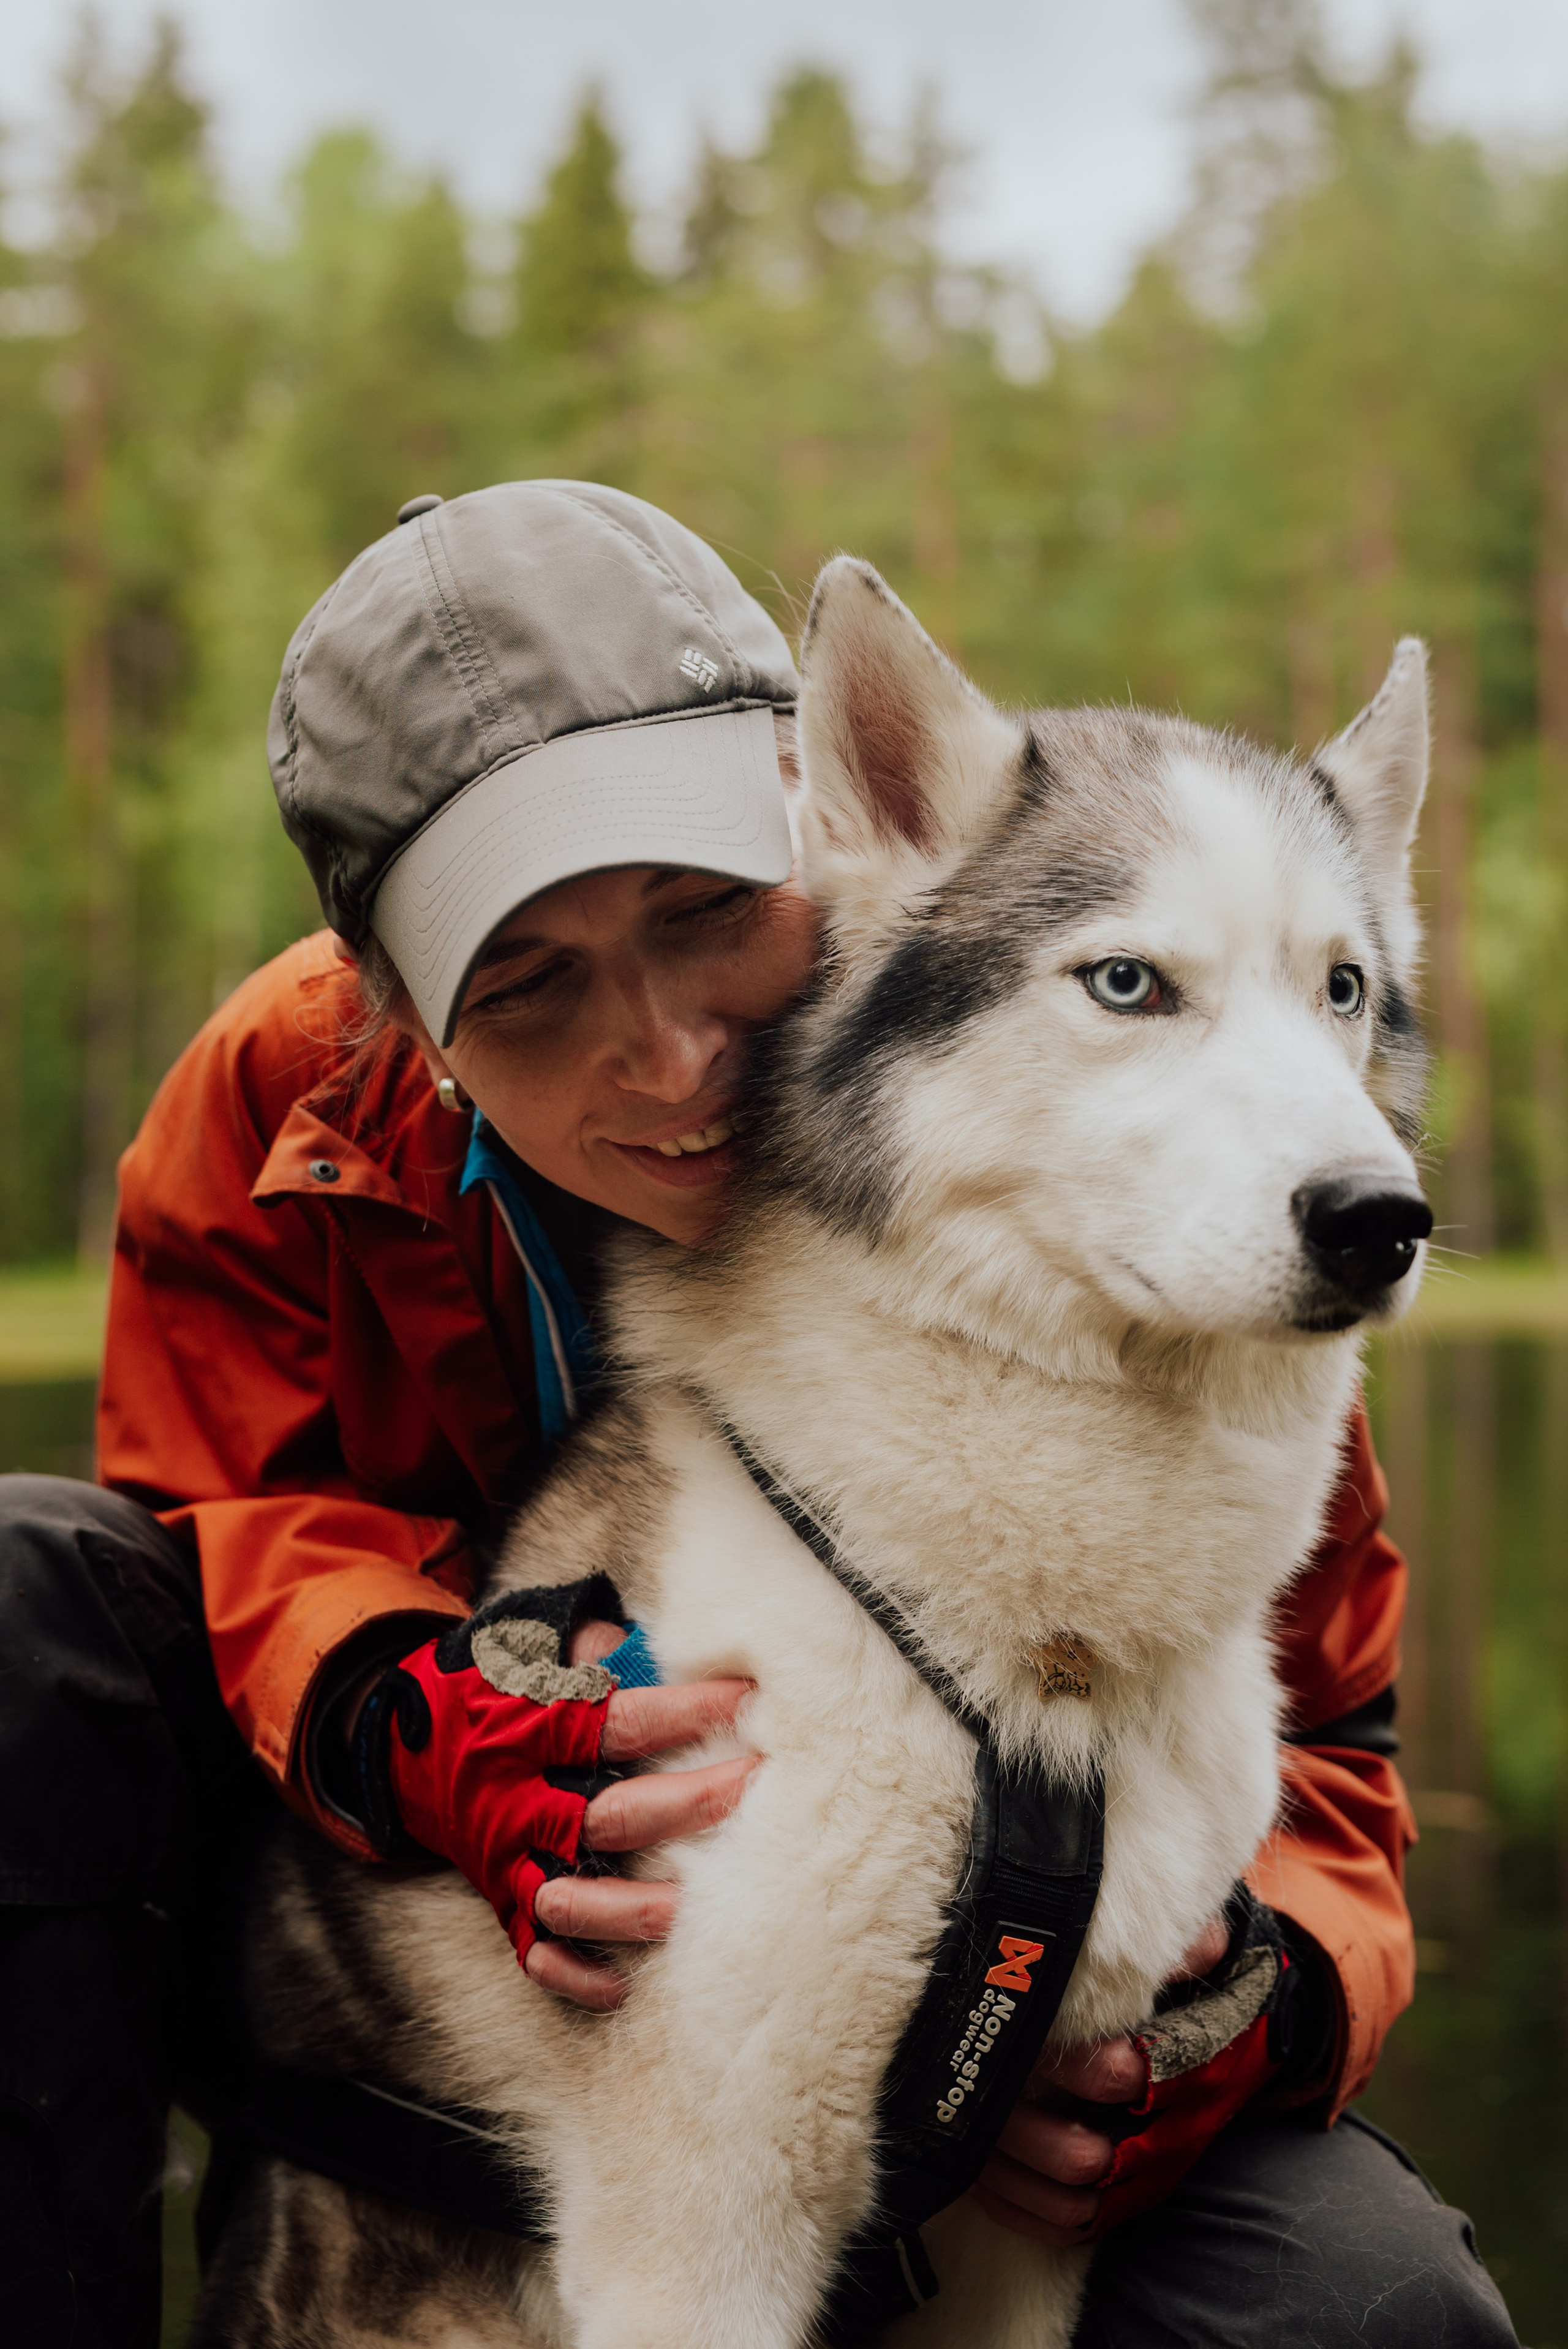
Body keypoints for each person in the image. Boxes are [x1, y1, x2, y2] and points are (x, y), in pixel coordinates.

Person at [0, 480, 1515, 2348]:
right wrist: (406, 1707)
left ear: (830, 808)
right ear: (395, 1005)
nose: (671, 1049)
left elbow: (1340, 1735)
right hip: (404, 1941)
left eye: (711, 909)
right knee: (25, 1588)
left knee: (1379, 2310)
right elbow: (221, 1503)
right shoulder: (279, 1090)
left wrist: (1270, 2001)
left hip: (978, 2041)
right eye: (533, 982)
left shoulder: (1163, 1205)